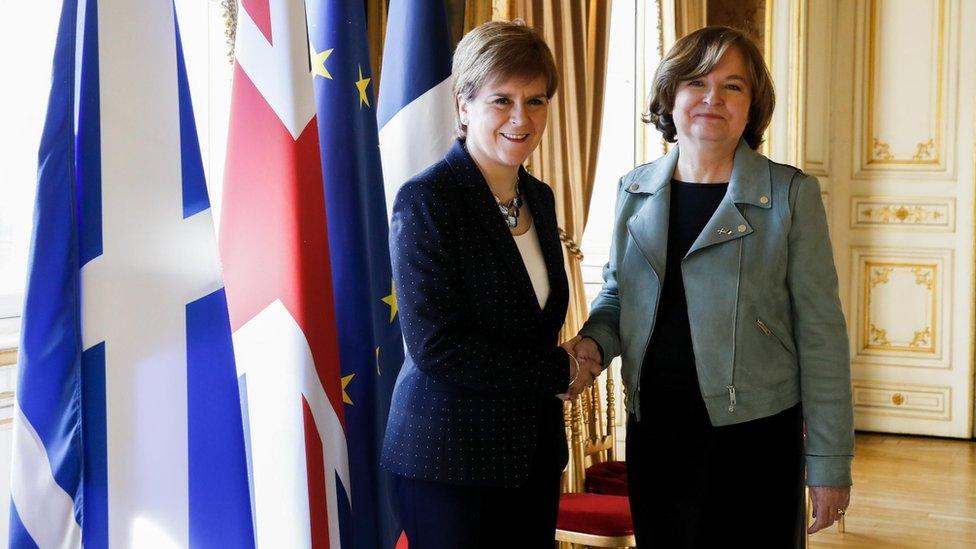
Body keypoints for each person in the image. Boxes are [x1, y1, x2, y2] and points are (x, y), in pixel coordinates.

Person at [569, 26, 854, 547]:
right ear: (670, 95)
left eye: (733, 86)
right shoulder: (633, 190)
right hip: (656, 427)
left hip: (757, 435)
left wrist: (830, 461)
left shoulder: (791, 195)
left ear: (753, 105)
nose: (712, 99)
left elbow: (822, 335)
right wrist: (592, 344)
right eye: (696, 82)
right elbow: (617, 297)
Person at [381, 20, 590, 548]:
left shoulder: (538, 198)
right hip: (449, 462)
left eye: (536, 101)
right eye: (502, 100)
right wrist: (556, 370)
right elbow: (436, 346)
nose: (522, 119)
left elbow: (533, 320)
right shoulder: (428, 200)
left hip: (531, 458)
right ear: (464, 103)